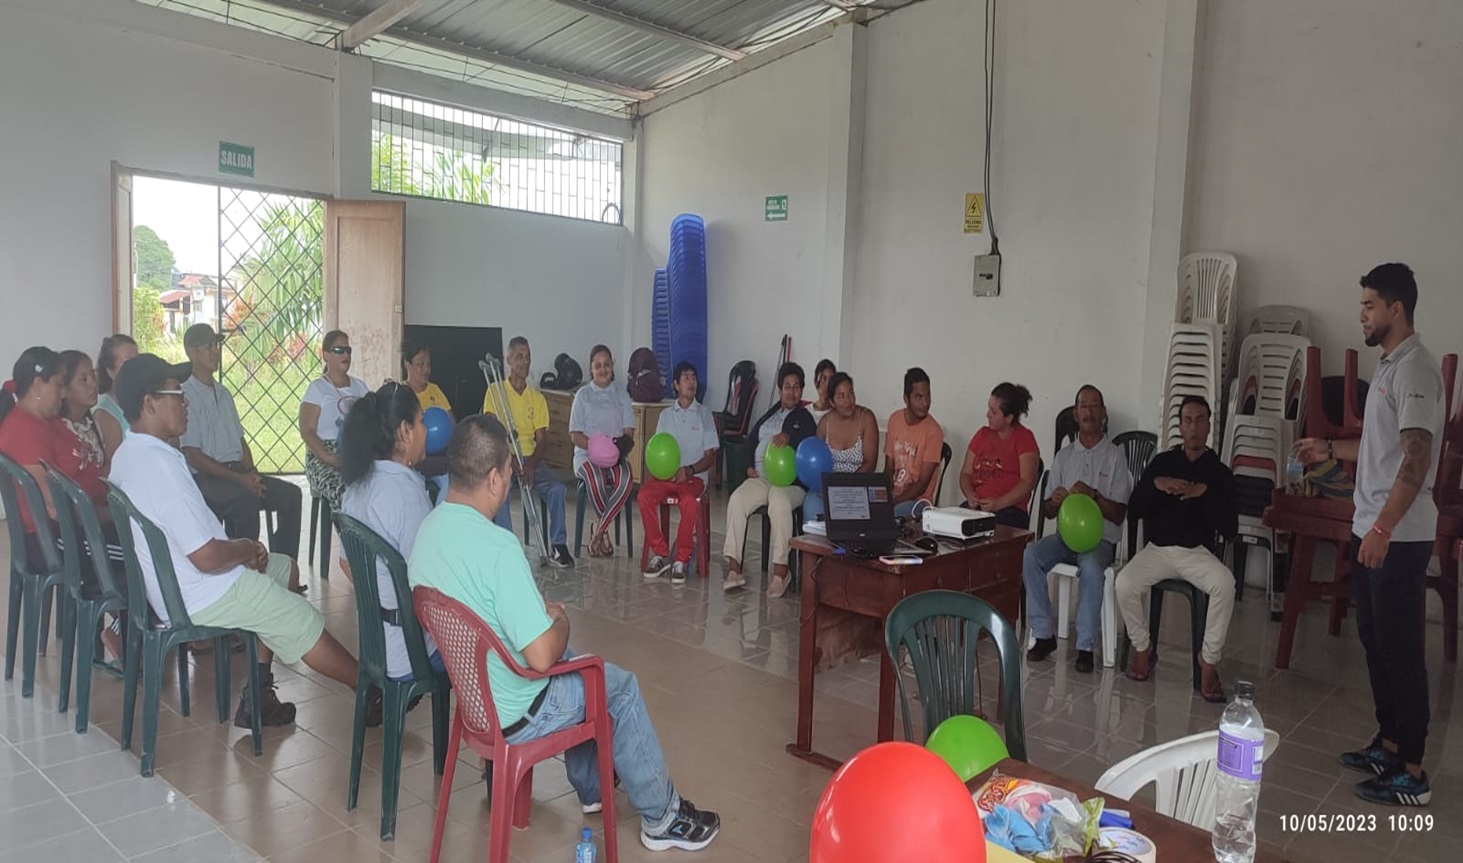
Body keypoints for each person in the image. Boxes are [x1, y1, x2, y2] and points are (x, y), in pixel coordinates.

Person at [408, 415, 721, 851]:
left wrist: (541, 624)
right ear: (495, 478)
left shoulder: (428, 530)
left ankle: (593, 789)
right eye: (509, 472)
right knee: (618, 687)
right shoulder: (498, 548)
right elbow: (540, 657)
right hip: (521, 707)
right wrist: (559, 621)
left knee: (577, 661)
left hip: (476, 701)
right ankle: (662, 818)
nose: (510, 482)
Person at [109, 354, 366, 727]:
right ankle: (372, 690)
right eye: (177, 394)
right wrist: (246, 548)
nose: (186, 402)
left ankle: (257, 695)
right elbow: (207, 557)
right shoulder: (160, 466)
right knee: (300, 617)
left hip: (176, 584)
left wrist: (243, 551)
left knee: (285, 570)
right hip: (202, 592)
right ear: (149, 403)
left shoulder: (129, 453)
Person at [1295, 263, 1442, 807]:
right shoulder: (1389, 365)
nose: (1360, 314)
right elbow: (1383, 446)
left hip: (1397, 535)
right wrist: (1329, 449)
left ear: (1395, 309)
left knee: (1401, 650)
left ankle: (1413, 771)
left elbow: (1416, 459)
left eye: (1369, 305)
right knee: (1375, 642)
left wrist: (1383, 526)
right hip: (1371, 527)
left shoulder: (1416, 369)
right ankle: (1389, 742)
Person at [1116, 396, 1237, 702]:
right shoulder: (1162, 463)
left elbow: (1231, 529)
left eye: (1200, 420)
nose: (1193, 428)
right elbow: (1134, 509)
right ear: (1180, 427)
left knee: (1225, 583)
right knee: (1124, 583)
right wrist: (1156, 484)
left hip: (1197, 553)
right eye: (1187, 421)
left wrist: (1204, 493)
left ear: (1209, 426)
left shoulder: (1219, 473)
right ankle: (1143, 647)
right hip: (1158, 550)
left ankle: (1208, 661)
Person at [1023, 385, 1132, 673]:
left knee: (1092, 569)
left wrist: (1094, 495)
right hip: (1064, 538)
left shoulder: (1115, 456)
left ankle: (1085, 645)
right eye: (1084, 406)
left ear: (1103, 413)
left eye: (1095, 406)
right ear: (1075, 413)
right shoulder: (1064, 456)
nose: (1089, 412)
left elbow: (1119, 514)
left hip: (1100, 541)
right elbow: (1047, 511)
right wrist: (1054, 501)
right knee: (1031, 555)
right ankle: (1043, 634)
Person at [338, 381, 441, 681]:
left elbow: (345, 563)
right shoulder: (405, 494)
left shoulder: (357, 486)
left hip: (377, 646)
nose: (426, 430)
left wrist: (380, 602)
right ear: (405, 431)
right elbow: (429, 580)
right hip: (411, 651)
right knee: (492, 642)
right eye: (421, 421)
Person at [179, 323, 302, 561]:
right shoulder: (186, 395)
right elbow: (194, 455)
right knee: (246, 500)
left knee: (291, 495)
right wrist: (240, 479)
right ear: (191, 351)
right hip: (209, 479)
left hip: (237, 473)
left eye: (216, 345)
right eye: (208, 346)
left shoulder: (224, 393)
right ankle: (244, 568)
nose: (215, 351)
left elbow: (240, 441)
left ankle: (285, 567)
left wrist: (251, 473)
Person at [722, 362, 817, 597]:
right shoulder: (770, 414)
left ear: (802, 390)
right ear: (780, 390)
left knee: (779, 503)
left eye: (796, 387)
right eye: (787, 387)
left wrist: (789, 436)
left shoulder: (805, 419)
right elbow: (750, 441)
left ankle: (781, 573)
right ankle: (734, 569)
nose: (792, 392)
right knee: (737, 500)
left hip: (790, 484)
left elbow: (808, 444)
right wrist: (748, 466)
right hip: (762, 479)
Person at [482, 336, 573, 569]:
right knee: (500, 494)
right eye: (519, 357)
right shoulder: (495, 391)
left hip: (531, 459)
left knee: (558, 489)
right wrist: (510, 459)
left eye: (528, 357)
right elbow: (492, 431)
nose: (525, 362)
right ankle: (507, 547)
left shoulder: (537, 398)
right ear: (509, 360)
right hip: (504, 458)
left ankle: (559, 545)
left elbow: (542, 441)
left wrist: (530, 465)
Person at [639, 362, 719, 583]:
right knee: (644, 496)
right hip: (666, 476)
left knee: (689, 503)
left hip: (693, 477)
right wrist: (659, 471)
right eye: (686, 378)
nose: (691, 382)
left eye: (693, 377)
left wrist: (689, 470)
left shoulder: (704, 415)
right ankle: (661, 553)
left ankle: (681, 559)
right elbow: (657, 451)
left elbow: (710, 457)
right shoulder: (666, 416)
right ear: (676, 384)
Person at [569, 345, 636, 558]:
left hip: (616, 455)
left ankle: (598, 530)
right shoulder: (583, 395)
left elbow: (629, 432)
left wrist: (613, 451)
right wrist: (596, 448)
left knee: (626, 479)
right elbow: (575, 435)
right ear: (591, 369)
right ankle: (603, 531)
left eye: (607, 364)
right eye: (597, 365)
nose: (603, 369)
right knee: (596, 479)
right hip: (586, 455)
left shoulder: (622, 394)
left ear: (612, 366)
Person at [299, 330, 368, 514]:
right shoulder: (317, 388)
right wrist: (328, 457)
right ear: (326, 355)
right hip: (323, 454)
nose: (346, 355)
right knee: (345, 492)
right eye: (339, 350)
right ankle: (350, 532)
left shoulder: (360, 387)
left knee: (376, 488)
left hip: (356, 452)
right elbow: (307, 430)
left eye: (348, 350)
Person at [959, 382, 1040, 528]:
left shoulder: (1024, 438)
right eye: (988, 408)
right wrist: (970, 494)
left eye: (994, 412)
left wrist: (998, 503)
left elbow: (1028, 482)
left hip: (1010, 511)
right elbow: (966, 473)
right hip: (978, 509)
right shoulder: (982, 434)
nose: (987, 415)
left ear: (1009, 418)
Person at [803, 372, 879, 522]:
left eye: (851, 393)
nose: (848, 401)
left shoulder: (866, 419)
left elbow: (870, 463)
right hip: (828, 487)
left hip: (859, 486)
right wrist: (830, 487)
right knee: (812, 505)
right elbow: (815, 464)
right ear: (832, 402)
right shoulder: (824, 424)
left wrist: (845, 486)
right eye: (841, 396)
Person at [885, 367, 944, 517]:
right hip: (894, 497)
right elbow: (888, 468)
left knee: (892, 514)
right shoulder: (894, 420)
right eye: (919, 397)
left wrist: (892, 503)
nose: (925, 403)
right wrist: (884, 496)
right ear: (906, 398)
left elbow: (922, 484)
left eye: (928, 396)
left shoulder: (934, 432)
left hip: (919, 502)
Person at [401, 337, 454, 502]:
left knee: (451, 486)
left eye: (428, 364)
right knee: (414, 488)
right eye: (420, 364)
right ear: (408, 364)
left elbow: (452, 423)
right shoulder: (402, 393)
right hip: (411, 459)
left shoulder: (435, 390)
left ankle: (438, 516)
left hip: (437, 458)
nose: (426, 369)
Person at [93, 333, 137, 463]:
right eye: (127, 361)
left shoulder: (139, 400)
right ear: (109, 370)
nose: (136, 366)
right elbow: (113, 464)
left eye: (137, 360)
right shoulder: (105, 413)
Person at [809, 359, 837, 424]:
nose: (827, 384)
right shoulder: (806, 413)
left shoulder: (838, 413)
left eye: (831, 380)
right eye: (823, 379)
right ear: (815, 382)